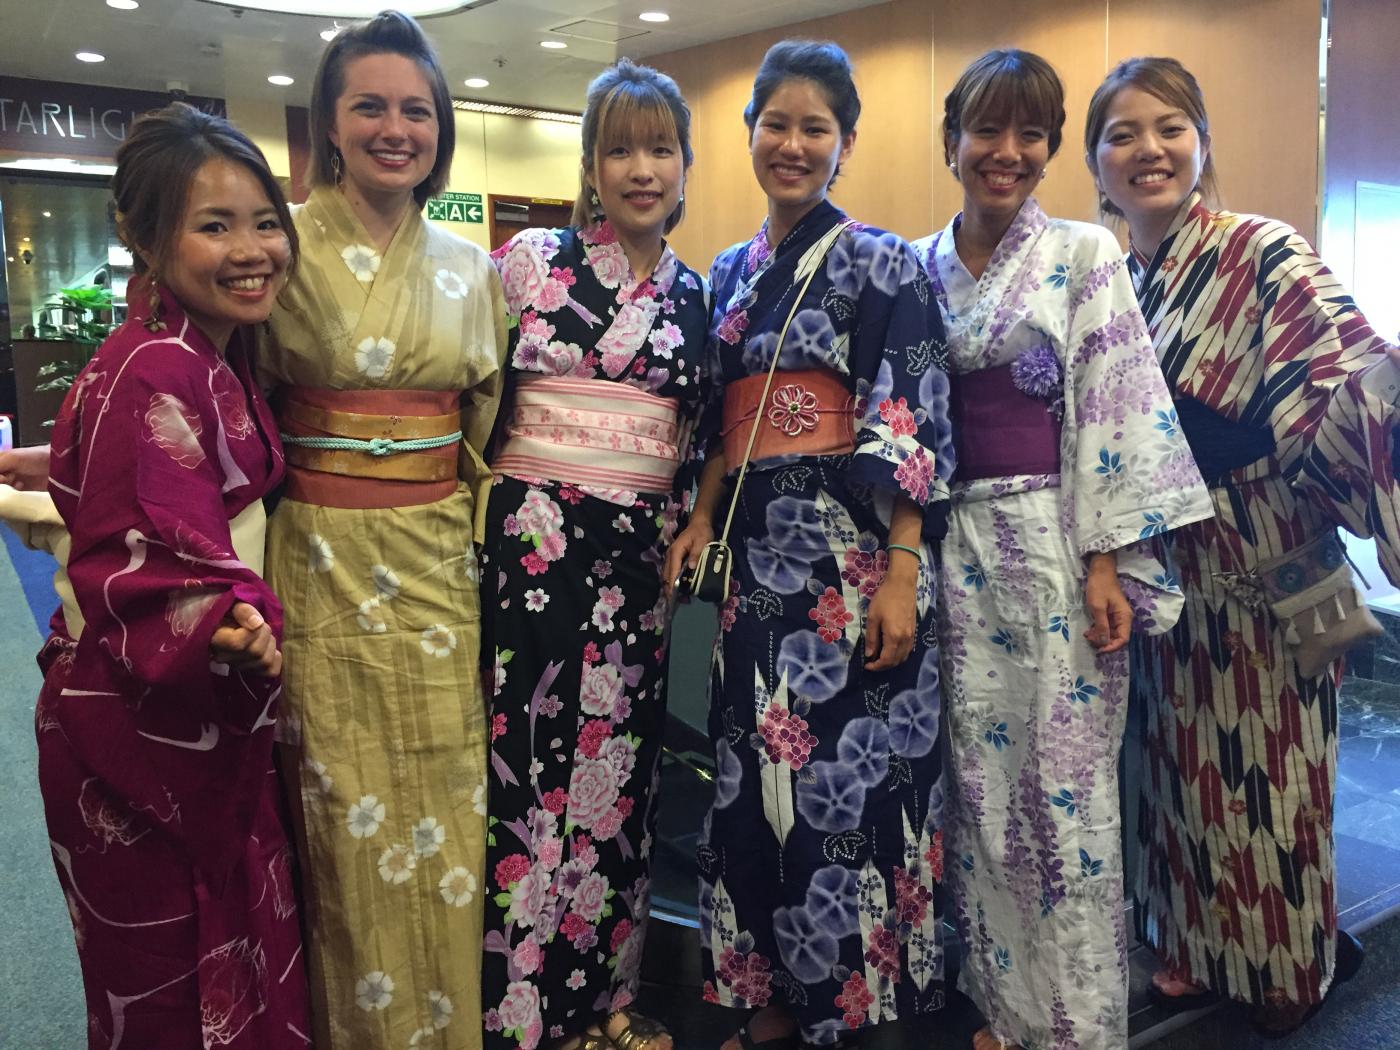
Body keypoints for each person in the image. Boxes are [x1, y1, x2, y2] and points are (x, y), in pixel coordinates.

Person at [1085, 56, 1400, 1036]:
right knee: (1171, 776)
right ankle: (1191, 950)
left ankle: (1284, 965)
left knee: (1268, 774)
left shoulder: (1261, 252)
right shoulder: (1113, 283)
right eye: (1123, 132)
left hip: (1261, 558)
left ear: (1201, 141)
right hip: (1163, 567)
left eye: (1168, 126)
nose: (1148, 150)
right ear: (1095, 165)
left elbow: (1353, 376)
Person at [909, 50, 1212, 1050]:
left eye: (1030, 134)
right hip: (956, 554)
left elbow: (1113, 403)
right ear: (948, 137)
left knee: (1067, 796)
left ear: (1049, 148)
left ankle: (1077, 1020)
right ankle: (1003, 1006)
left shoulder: (1084, 251)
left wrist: (1100, 560)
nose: (1006, 153)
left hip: (1052, 544)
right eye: (985, 131)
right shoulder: (912, 264)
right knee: (979, 787)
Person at [665, 39, 953, 1049]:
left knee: (850, 789)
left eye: (813, 129)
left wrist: (903, 570)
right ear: (746, 133)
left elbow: (908, 412)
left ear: (843, 145)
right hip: (746, 569)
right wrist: (700, 514)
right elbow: (713, 423)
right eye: (774, 124)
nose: (791, 145)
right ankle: (776, 988)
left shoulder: (882, 260)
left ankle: (860, 996)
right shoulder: (729, 272)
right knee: (750, 784)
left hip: (846, 563)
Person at [33, 102, 309, 1049]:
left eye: (266, 221)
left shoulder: (203, 358)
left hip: (177, 704)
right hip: (135, 727)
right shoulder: (156, 371)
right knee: (166, 983)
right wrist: (222, 616)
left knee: (218, 959)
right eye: (214, 225)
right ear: (147, 240)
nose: (252, 249)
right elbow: (150, 560)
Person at [259, 11, 506, 1048]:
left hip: (436, 561)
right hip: (316, 559)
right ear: (328, 120)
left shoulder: (469, 268)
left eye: (415, 109)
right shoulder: (277, 247)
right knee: (336, 808)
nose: (394, 128)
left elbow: (485, 430)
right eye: (369, 106)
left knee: (447, 802)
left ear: (439, 126)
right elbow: (237, 414)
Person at [479, 59, 709, 1050]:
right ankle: (514, 1010)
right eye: (619, 147)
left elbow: (699, 434)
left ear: (686, 165)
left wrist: (693, 517)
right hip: (531, 551)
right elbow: (468, 393)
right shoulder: (528, 261)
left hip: (634, 559)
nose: (640, 168)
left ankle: (601, 1003)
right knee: (522, 773)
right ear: (589, 163)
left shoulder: (698, 293)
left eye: (659, 148)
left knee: (617, 780)